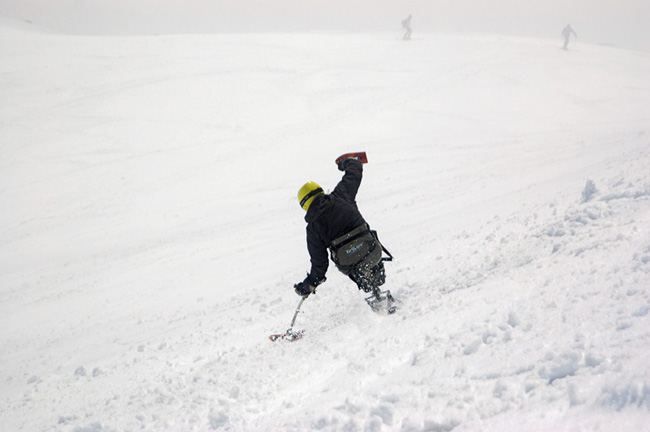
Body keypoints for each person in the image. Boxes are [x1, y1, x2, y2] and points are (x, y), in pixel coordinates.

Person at [294, 157, 393, 309]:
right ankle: (378, 291)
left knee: (357, 265)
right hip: (372, 250)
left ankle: (374, 294)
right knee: (369, 259)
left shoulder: (313, 229)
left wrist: (310, 284)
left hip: (349, 263)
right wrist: (347, 162)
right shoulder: (341, 195)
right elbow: (354, 173)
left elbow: (319, 264)